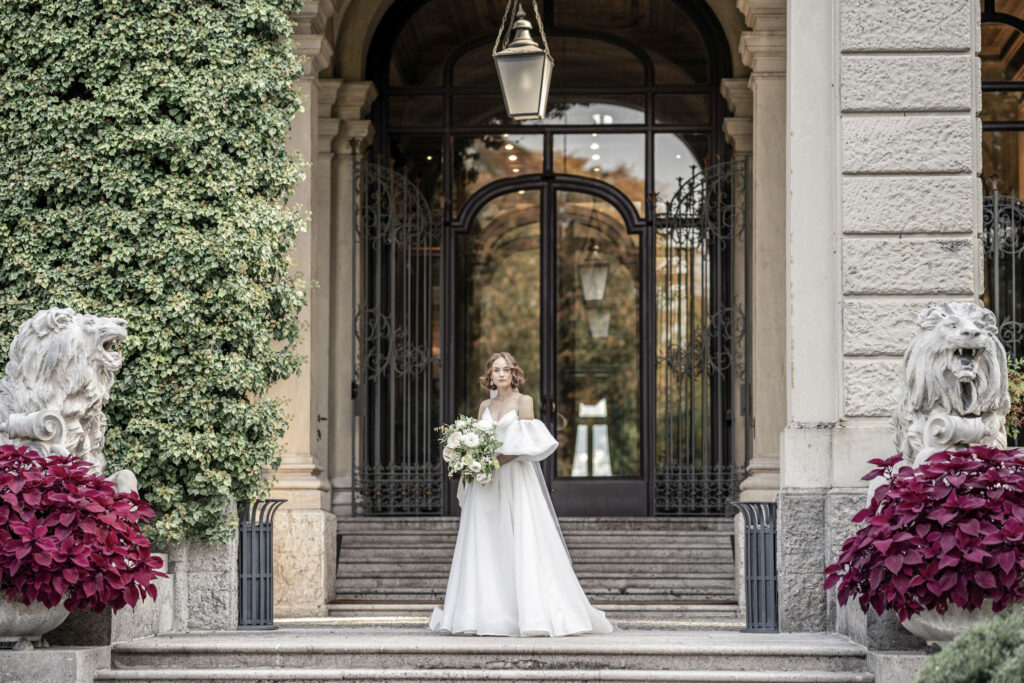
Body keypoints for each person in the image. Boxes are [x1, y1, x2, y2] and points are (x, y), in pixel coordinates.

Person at [429, 351, 613, 637]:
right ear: (488, 374)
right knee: (487, 540)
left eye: (506, 370)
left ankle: (526, 613)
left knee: (519, 537)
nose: (501, 374)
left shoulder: (523, 402)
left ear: (514, 373)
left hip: (514, 478)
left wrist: (495, 461)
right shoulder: (484, 405)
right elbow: (477, 440)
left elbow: (527, 444)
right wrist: (470, 461)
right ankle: (484, 613)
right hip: (485, 482)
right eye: (495, 370)